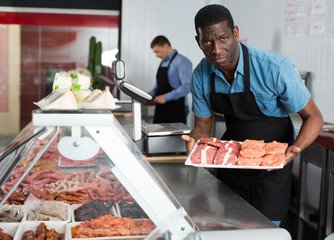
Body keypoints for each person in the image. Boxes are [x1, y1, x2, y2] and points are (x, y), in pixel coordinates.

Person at [182, 4, 324, 226]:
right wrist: (196, 144)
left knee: (266, 229)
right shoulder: (201, 74)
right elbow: (202, 126)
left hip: (272, 164)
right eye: (207, 42)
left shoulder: (274, 68)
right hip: (231, 160)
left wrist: (294, 149)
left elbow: (314, 117)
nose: (216, 50)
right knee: (229, 225)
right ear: (198, 42)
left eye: (223, 39)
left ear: (236, 33)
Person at [149, 35, 192, 124]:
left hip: (176, 109)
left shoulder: (182, 61)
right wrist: (148, 95)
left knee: (175, 138)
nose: (156, 55)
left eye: (157, 51)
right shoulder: (163, 62)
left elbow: (187, 87)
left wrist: (165, 97)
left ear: (166, 46)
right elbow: (158, 86)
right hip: (161, 109)